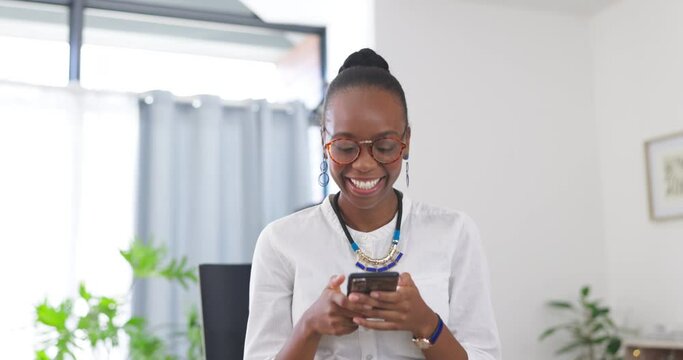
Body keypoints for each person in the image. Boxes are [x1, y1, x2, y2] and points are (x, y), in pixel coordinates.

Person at [244, 48, 501, 360]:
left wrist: (426, 323)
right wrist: (309, 326)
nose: (364, 164)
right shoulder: (281, 242)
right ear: (324, 141)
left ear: (406, 142)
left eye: (384, 146)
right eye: (345, 146)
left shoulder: (454, 233)